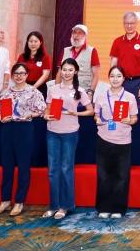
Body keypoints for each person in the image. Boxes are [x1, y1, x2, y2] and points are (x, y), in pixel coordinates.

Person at [0, 62, 46, 216]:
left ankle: (19, 201)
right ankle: (5, 200)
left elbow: (42, 110)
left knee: (23, 166)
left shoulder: (33, 92)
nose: (19, 76)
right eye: (16, 74)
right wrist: (1, 118)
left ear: (27, 75)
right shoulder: (7, 92)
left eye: (22, 73)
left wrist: (31, 114)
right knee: (7, 165)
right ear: (13, 76)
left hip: (24, 129)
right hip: (8, 129)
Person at [42, 58, 93, 220]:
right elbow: (47, 108)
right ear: (60, 71)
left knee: (66, 169)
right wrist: (46, 115)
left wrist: (75, 113)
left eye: (70, 70)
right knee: (52, 171)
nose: (67, 73)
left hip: (70, 133)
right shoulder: (53, 89)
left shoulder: (80, 91)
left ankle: (65, 206)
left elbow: (91, 111)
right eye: (64, 69)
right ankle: (53, 205)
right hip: (52, 132)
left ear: (75, 72)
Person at [93, 66, 139, 218]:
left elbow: (135, 118)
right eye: (112, 76)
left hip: (123, 140)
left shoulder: (129, 97)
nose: (115, 79)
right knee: (103, 175)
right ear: (108, 78)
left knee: (121, 176)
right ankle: (103, 207)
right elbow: (96, 115)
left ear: (123, 79)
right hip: (104, 139)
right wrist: (97, 119)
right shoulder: (101, 96)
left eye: (118, 76)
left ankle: (118, 209)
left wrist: (130, 120)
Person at [109, 12, 140, 102]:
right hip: (121, 82)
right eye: (126, 23)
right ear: (123, 24)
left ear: (136, 23)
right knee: (120, 109)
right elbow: (113, 63)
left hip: (138, 83)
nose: (129, 26)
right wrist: (113, 82)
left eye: (132, 23)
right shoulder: (117, 41)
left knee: (138, 109)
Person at [57, 24, 100, 99]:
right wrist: (57, 91)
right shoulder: (65, 50)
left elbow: (96, 75)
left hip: (83, 92)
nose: (76, 35)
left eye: (80, 33)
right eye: (74, 32)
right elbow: (59, 73)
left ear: (85, 36)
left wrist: (91, 92)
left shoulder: (91, 51)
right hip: (65, 91)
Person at [16, 31, 52, 97]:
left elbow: (45, 75)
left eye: (35, 41)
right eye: (31, 41)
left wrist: (33, 88)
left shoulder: (45, 57)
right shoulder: (22, 56)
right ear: (27, 42)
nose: (33, 44)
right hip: (23, 86)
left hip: (39, 87)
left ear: (40, 42)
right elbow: (17, 72)